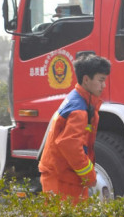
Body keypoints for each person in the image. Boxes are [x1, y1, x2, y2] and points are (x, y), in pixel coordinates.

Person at [38, 53, 111, 203]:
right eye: (101, 80)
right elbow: (70, 144)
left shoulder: (78, 100)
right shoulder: (79, 109)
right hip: (62, 178)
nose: (104, 85)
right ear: (86, 79)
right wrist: (89, 176)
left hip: (64, 175)